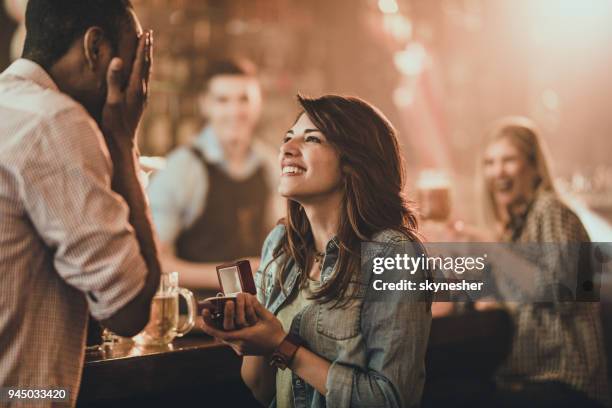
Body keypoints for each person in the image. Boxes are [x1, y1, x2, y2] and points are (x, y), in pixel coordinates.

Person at [201, 94, 432, 407]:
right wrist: (250, 336)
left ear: (354, 161)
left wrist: (283, 346)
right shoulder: (281, 245)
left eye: (311, 139)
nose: (287, 149)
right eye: (287, 138)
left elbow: (390, 400)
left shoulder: (393, 254)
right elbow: (260, 388)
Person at [0, 0, 161, 405]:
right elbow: (128, 309)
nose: (138, 81)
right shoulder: (55, 122)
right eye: (133, 56)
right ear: (96, 49)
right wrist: (123, 140)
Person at [451, 117, 610, 407]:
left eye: (508, 160)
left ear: (534, 167)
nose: (498, 171)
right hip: (525, 379)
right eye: (490, 162)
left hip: (564, 381)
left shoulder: (550, 210)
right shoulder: (515, 230)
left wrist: (493, 248)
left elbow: (561, 293)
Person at [147, 58, 281, 291]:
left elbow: (284, 245)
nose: (235, 111)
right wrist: (235, 279)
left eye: (244, 99)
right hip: (196, 318)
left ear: (259, 103)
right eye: (223, 100)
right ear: (205, 105)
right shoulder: (181, 169)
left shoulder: (271, 165)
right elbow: (155, 261)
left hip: (256, 316)